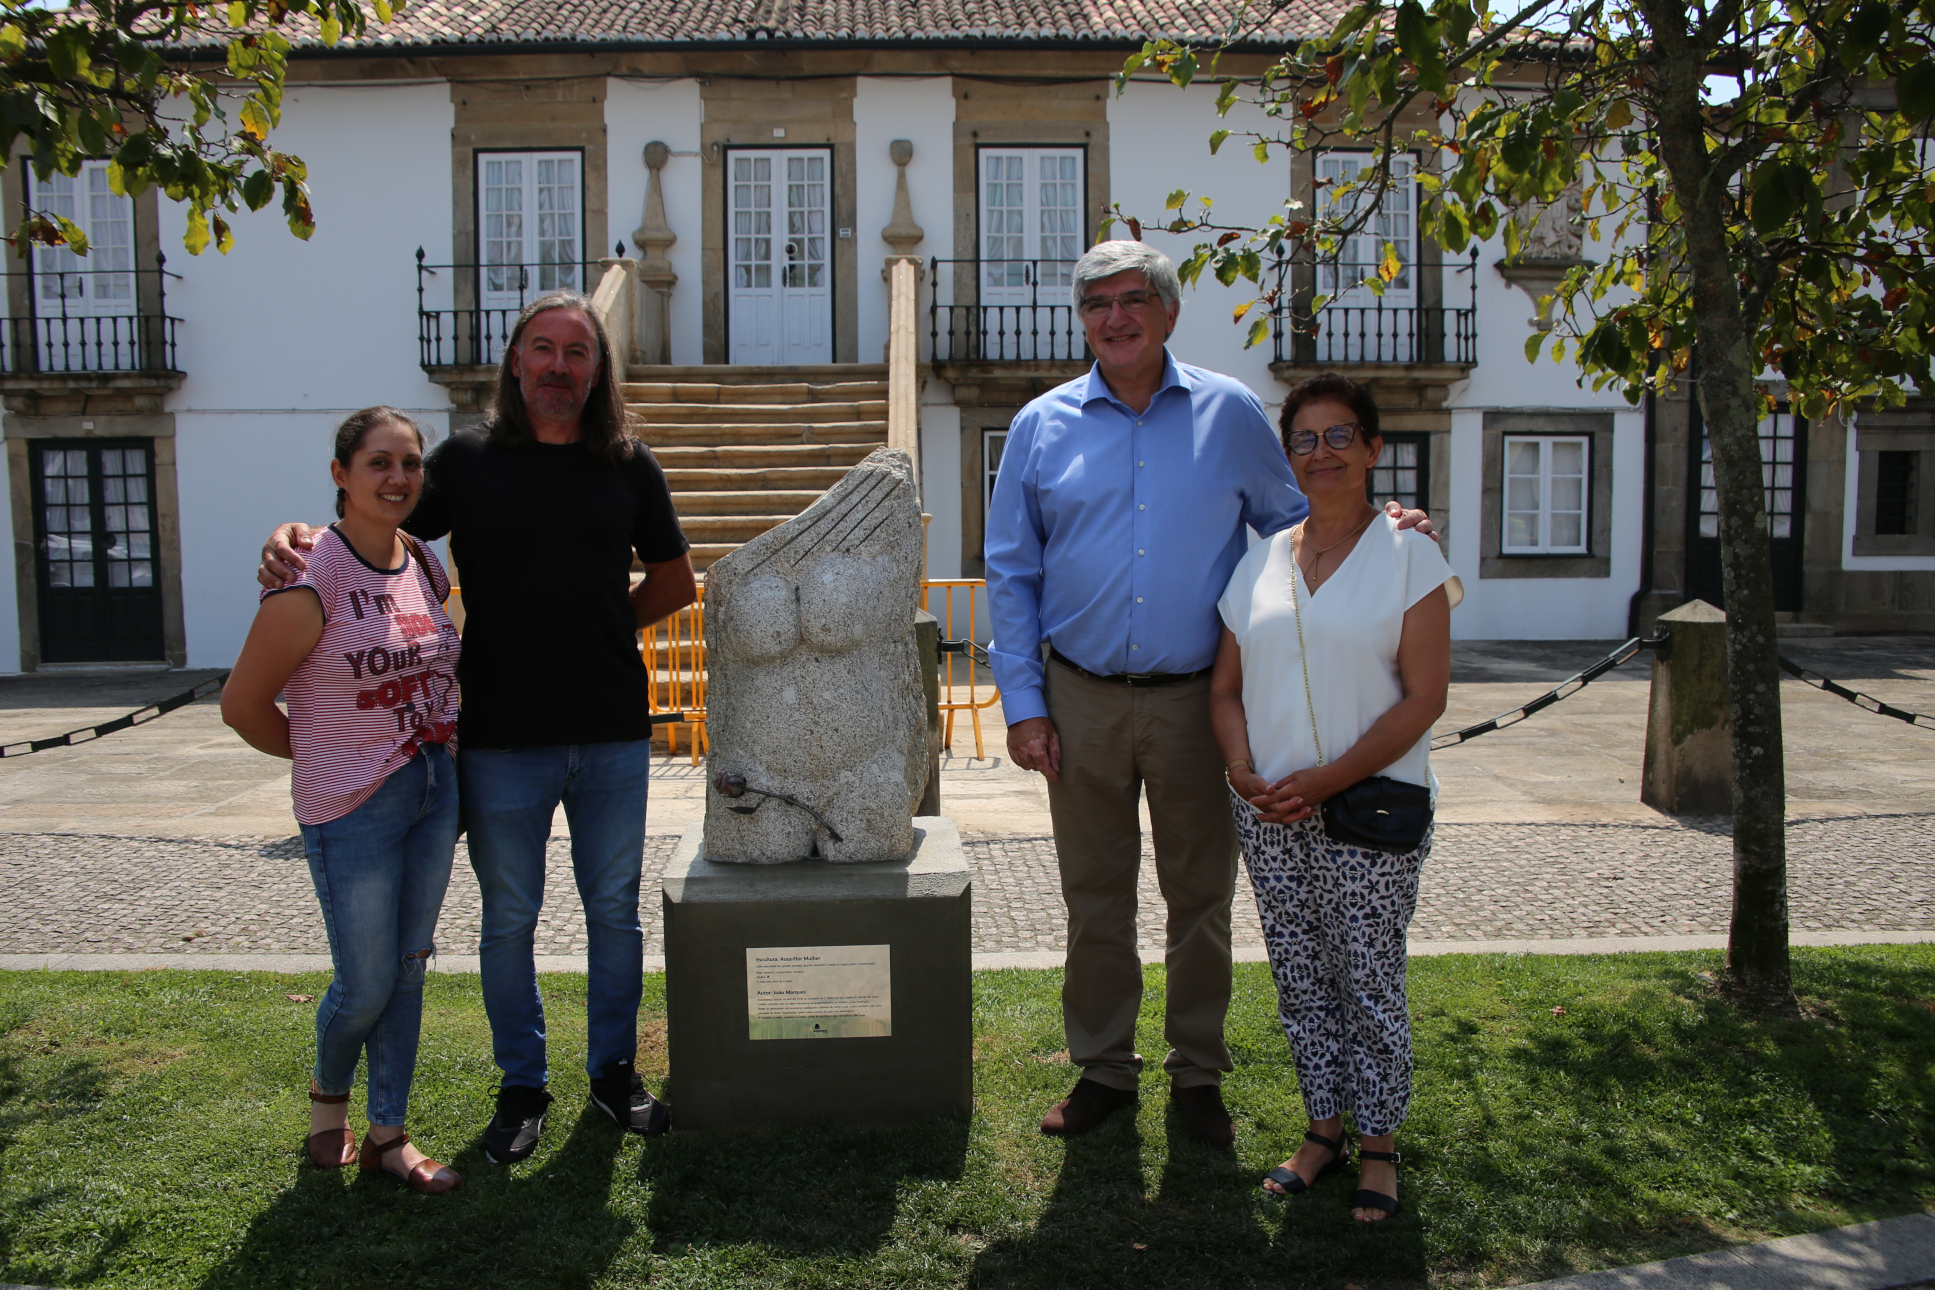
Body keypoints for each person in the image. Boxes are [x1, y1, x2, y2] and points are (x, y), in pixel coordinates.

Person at [985, 242, 1433, 1147]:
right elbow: (1010, 573)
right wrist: (1024, 705)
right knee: (1094, 897)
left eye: (1134, 299)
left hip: (1200, 701)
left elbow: (1299, 523)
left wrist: (1388, 525)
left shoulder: (1230, 413)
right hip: (1080, 701)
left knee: (1200, 900)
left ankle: (1197, 1074)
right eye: (1098, 303)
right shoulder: (1040, 425)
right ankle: (1104, 1069)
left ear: (1168, 313)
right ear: (1083, 320)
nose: (1116, 317)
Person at [257, 295, 697, 1164]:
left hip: (610, 731)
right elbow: (374, 535)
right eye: (543, 348)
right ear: (515, 361)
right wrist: (296, 536)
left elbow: (676, 580)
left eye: (578, 352)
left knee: (613, 913)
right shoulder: (463, 460)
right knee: (510, 922)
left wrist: (603, 624)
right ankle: (521, 1087)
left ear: (599, 370)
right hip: (497, 735)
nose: (559, 366)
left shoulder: (627, 463)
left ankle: (613, 1074)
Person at [1210, 373, 1452, 1220]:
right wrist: (1242, 770)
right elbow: (1225, 691)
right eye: (1304, 440)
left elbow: (1425, 698)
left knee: (1368, 978)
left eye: (1339, 435)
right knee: (1300, 976)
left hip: (1366, 810)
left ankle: (1379, 1145)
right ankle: (1322, 1131)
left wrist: (1326, 779)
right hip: (1269, 811)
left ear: (1373, 447)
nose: (1322, 453)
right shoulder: (1261, 562)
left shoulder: (1409, 555)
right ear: (1288, 457)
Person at [223, 407, 464, 1195]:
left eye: (410, 463)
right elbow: (244, 705)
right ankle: (330, 1106)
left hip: (432, 789)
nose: (397, 478)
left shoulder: (424, 565)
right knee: (363, 983)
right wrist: (324, 750)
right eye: (377, 463)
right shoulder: (308, 576)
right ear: (341, 476)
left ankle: (389, 1134)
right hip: (351, 806)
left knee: (408, 969)